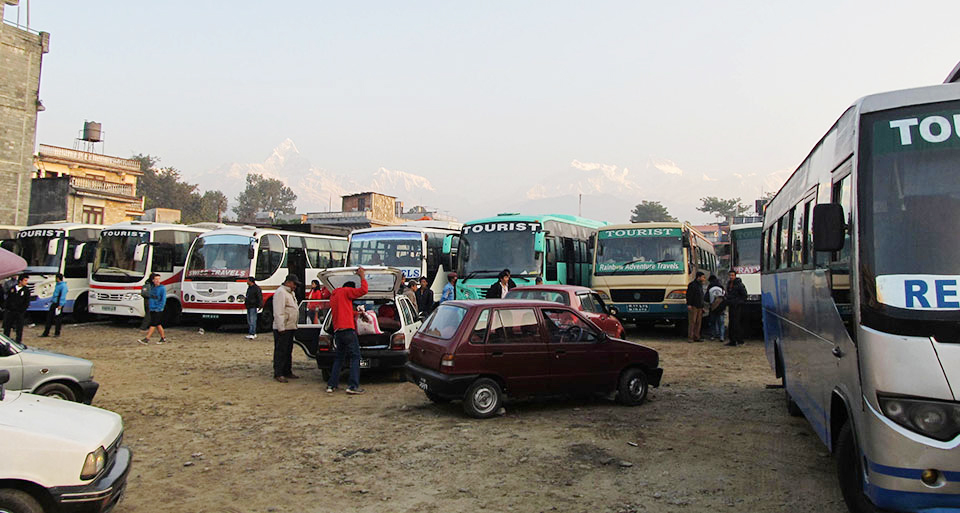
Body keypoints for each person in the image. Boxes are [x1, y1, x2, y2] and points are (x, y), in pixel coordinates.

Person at [326, 267, 369, 394]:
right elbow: (364, 290)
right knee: (355, 357)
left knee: (339, 357)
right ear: (350, 288)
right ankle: (352, 386)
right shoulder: (347, 291)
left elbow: (346, 311)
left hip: (338, 331)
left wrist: (357, 313)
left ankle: (331, 385)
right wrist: (362, 276)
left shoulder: (334, 296)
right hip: (348, 331)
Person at [271, 274, 301, 382]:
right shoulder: (281, 292)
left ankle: (287, 371)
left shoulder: (290, 293)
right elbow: (278, 311)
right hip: (283, 327)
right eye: (294, 284)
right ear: (288, 282)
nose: (295, 287)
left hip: (290, 326)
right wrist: (281, 327)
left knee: (288, 350)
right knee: (281, 351)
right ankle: (278, 373)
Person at [138, 273, 167, 345]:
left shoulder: (162, 288)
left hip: (158, 309)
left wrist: (160, 307)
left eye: (158, 279)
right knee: (158, 324)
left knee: (153, 324)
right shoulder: (152, 287)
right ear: (153, 280)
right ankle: (163, 338)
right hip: (152, 308)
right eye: (156, 279)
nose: (157, 281)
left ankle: (147, 338)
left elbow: (163, 299)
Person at [3, 274, 29, 342]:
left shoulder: (26, 290)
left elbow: (26, 302)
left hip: (19, 312)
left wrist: (22, 310)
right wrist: (7, 307)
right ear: (20, 281)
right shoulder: (12, 288)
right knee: (7, 326)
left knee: (19, 327)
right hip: (11, 311)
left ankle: (18, 340)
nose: (26, 282)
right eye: (25, 280)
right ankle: (6, 339)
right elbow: (8, 299)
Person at [725, 270, 748, 347]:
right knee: (731, 323)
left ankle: (739, 340)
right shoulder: (729, 284)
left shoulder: (739, 285)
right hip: (731, 306)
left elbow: (744, 295)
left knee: (736, 324)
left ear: (735, 276)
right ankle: (732, 340)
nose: (731, 277)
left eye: (732, 275)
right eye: (730, 275)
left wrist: (738, 302)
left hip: (737, 306)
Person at [686, 272, 706, 343]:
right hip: (693, 306)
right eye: (703, 277)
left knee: (698, 322)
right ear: (698, 277)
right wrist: (689, 304)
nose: (704, 279)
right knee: (692, 322)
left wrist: (702, 306)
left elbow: (701, 296)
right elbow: (689, 295)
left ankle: (697, 336)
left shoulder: (700, 285)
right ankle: (690, 337)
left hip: (700, 306)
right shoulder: (692, 285)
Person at [705, 275, 726, 341]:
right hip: (721, 307)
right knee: (721, 323)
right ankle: (721, 336)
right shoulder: (721, 286)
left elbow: (706, 298)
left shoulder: (710, 287)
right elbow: (725, 296)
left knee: (712, 322)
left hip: (713, 307)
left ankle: (713, 336)